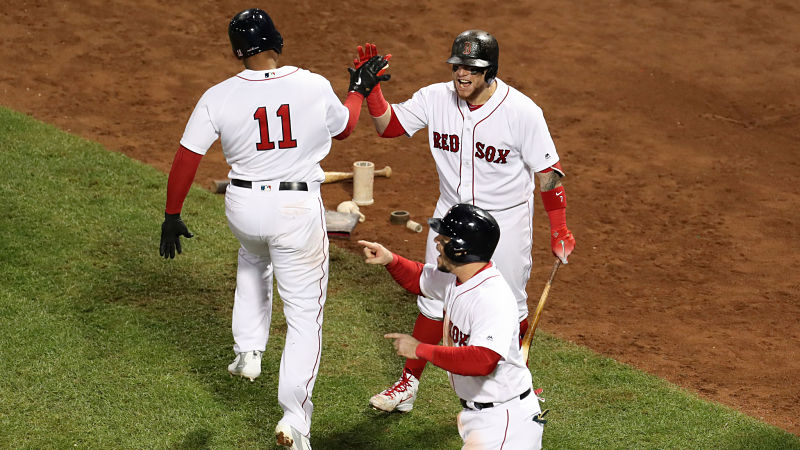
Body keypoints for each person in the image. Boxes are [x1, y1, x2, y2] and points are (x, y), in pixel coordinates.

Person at [157, 8, 389, 450]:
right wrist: (358, 89)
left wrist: (172, 214)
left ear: (236, 52)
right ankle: (293, 420)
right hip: (295, 208)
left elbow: (188, 155)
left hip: (244, 206)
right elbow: (346, 127)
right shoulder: (312, 83)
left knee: (252, 260)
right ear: (276, 42)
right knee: (303, 317)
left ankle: (248, 351)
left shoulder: (218, 94)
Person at [354, 31, 576, 413]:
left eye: (471, 68)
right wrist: (372, 91)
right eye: (457, 65)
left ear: (490, 71)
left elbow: (548, 173)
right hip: (450, 216)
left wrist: (560, 229)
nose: (461, 74)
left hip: (504, 224)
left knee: (511, 306)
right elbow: (389, 127)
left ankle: (517, 384)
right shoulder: (434, 98)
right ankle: (408, 385)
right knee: (432, 297)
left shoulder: (523, 112)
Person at [359, 204, 548, 449]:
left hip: (505, 422)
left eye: (445, 238)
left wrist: (420, 349)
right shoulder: (458, 278)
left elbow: (483, 359)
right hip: (483, 416)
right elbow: (419, 278)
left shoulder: (492, 298)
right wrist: (390, 259)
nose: (437, 241)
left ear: (461, 250)